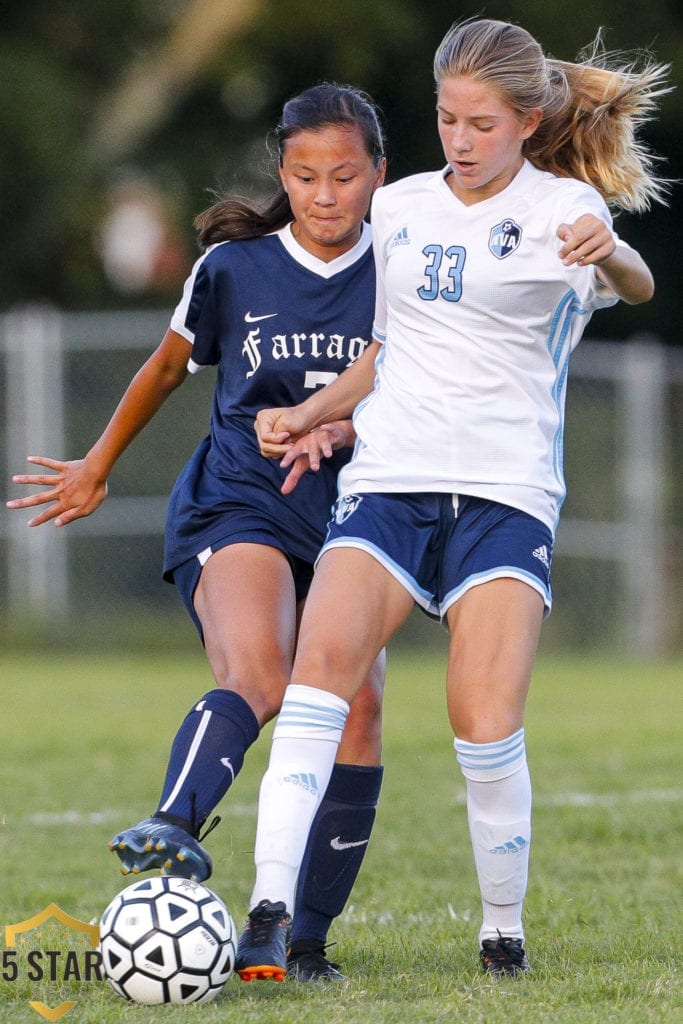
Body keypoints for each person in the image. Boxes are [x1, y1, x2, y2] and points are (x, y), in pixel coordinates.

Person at [246, 19, 669, 979]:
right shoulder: (396, 209)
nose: (461, 139)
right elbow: (387, 349)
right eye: (446, 118)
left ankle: (500, 933)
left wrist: (607, 251)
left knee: (482, 722)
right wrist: (312, 412)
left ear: (527, 121)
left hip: (505, 494)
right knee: (319, 680)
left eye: (480, 122)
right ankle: (267, 909)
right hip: (391, 479)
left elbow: (637, 287)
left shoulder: (565, 210)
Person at [6, 83, 388, 983]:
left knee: (359, 708)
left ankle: (299, 943)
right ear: (281, 175)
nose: (324, 195)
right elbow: (169, 365)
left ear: (380, 173)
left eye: (343, 176)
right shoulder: (234, 267)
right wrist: (98, 463)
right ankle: (173, 822)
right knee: (260, 676)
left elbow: (425, 390)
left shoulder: (408, 264)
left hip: (357, 512)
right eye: (303, 176)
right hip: (240, 499)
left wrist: (339, 427)